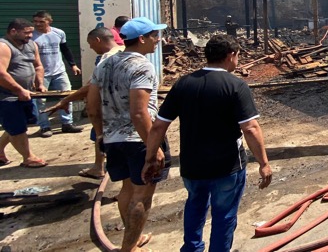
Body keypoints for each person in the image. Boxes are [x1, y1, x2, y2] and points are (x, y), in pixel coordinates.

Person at [142, 34, 272, 252]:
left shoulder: (183, 84)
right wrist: (264, 163)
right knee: (224, 215)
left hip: (193, 166)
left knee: (195, 206)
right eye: (238, 56)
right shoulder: (236, 86)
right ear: (231, 56)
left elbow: (158, 126)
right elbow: (250, 128)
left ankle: (192, 248)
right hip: (227, 166)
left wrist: (149, 158)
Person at [87, 17, 169, 252]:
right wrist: (153, 147)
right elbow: (138, 111)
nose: (157, 40)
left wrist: (101, 135)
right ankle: (129, 247)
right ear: (141, 39)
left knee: (127, 189)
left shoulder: (104, 64)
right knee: (142, 195)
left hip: (113, 139)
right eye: (154, 36)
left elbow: (92, 106)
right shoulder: (142, 65)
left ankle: (131, 239)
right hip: (138, 140)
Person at [44, 27, 124, 179]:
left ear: (97, 40)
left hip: (109, 108)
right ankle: (99, 166)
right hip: (119, 106)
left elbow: (91, 85)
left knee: (101, 136)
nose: (90, 47)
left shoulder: (108, 58)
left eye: (90, 43)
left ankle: (102, 169)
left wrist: (66, 99)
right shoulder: (123, 50)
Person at [0, 19, 48, 168]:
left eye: (31, 32)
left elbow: (38, 66)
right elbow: (1, 73)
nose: (30, 35)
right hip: (6, 96)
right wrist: (18, 90)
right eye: (26, 32)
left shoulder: (31, 45)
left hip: (27, 94)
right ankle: (28, 157)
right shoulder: (3, 46)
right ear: (13, 31)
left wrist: (40, 83)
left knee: (17, 125)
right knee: (17, 127)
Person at [31, 10, 82, 137]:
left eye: (41, 22)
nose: (38, 24)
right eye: (35, 21)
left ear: (49, 21)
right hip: (41, 74)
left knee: (66, 96)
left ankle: (67, 123)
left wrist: (73, 65)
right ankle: (44, 127)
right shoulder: (31, 36)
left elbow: (65, 49)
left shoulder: (58, 33)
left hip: (59, 71)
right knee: (40, 100)